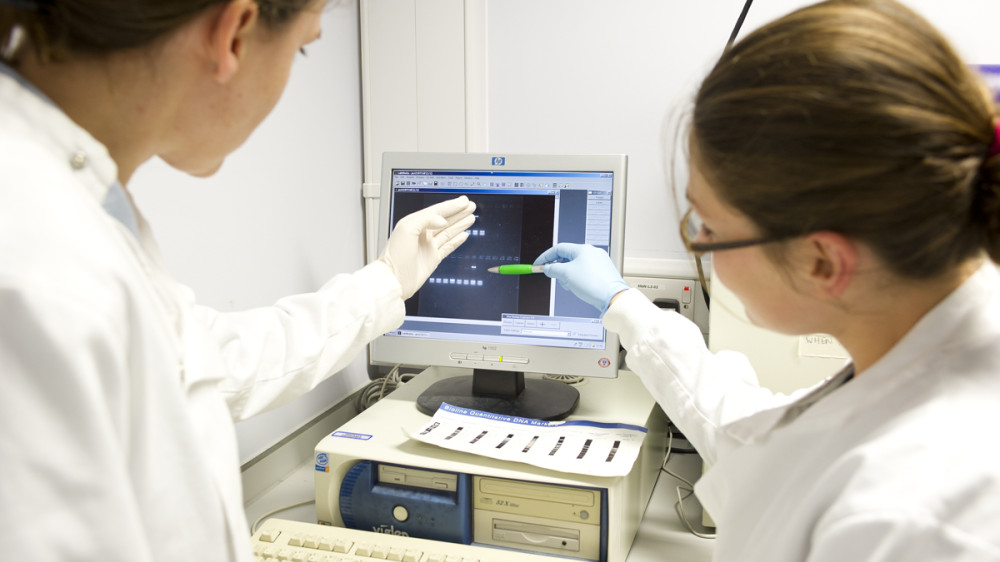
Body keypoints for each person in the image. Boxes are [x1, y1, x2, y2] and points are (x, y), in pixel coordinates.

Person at [0, 0, 475, 560]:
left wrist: (386, 281)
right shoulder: (40, 260)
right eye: (302, 46)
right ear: (234, 34)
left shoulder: (75, 200)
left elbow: (209, 360)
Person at [536, 0, 1000, 559]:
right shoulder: (929, 357)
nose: (701, 246)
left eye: (707, 226)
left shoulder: (907, 520)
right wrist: (624, 304)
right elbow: (761, 435)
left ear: (822, 262)